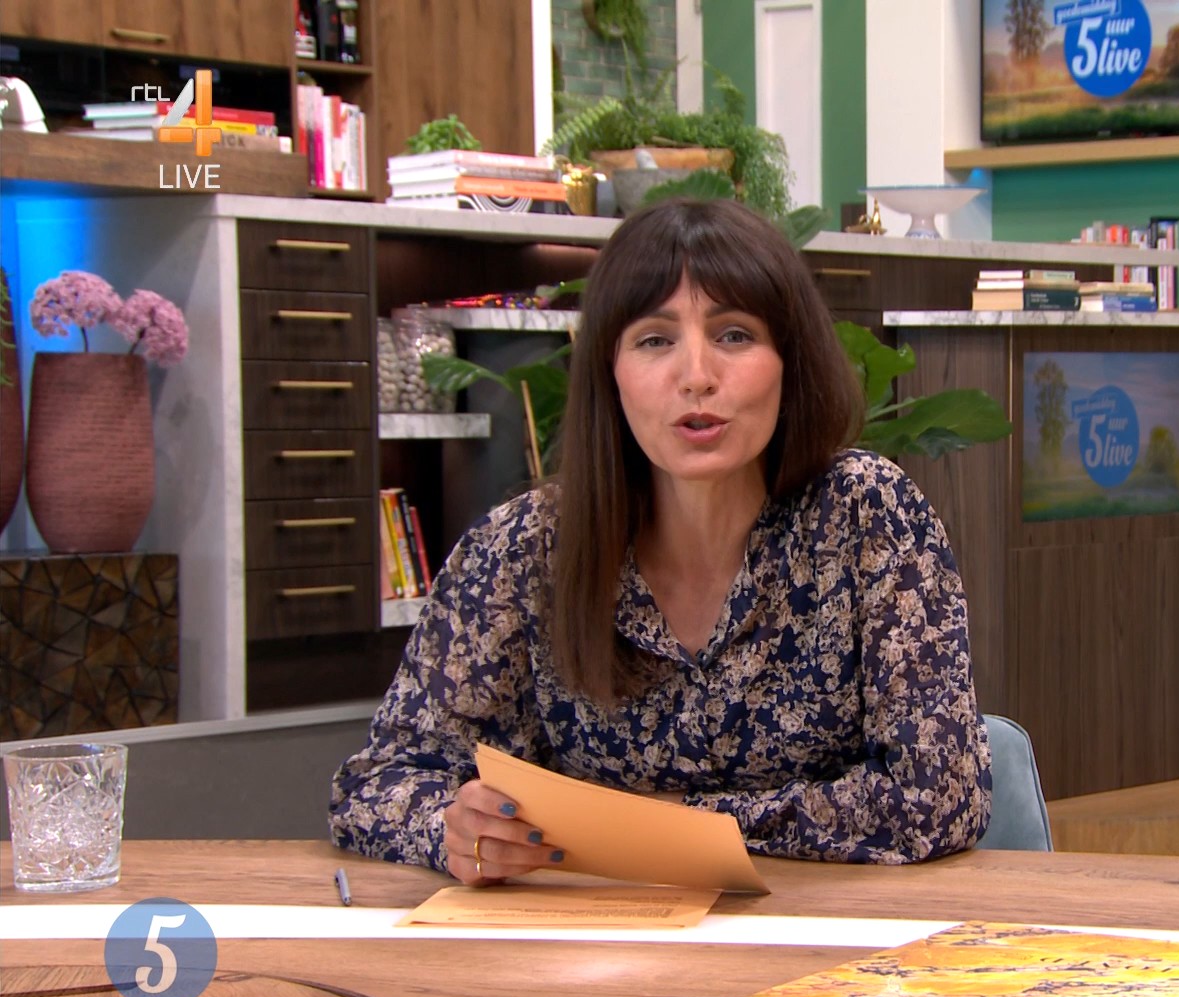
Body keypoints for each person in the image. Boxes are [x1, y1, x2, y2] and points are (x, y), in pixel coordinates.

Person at [329, 199, 991, 884]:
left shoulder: (866, 514)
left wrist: (673, 825)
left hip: (830, 929)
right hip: (602, 934)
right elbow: (377, 784)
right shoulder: (523, 547)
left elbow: (938, 798)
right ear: (610, 372)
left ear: (789, 361)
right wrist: (451, 827)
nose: (696, 374)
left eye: (734, 334)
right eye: (654, 340)